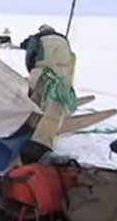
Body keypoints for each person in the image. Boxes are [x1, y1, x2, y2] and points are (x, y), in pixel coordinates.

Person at [20, 24, 77, 163]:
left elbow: (29, 58)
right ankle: (43, 138)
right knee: (54, 109)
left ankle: (29, 131)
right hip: (61, 78)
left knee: (35, 101)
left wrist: (33, 74)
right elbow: (71, 60)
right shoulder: (63, 40)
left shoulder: (37, 39)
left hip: (41, 75)